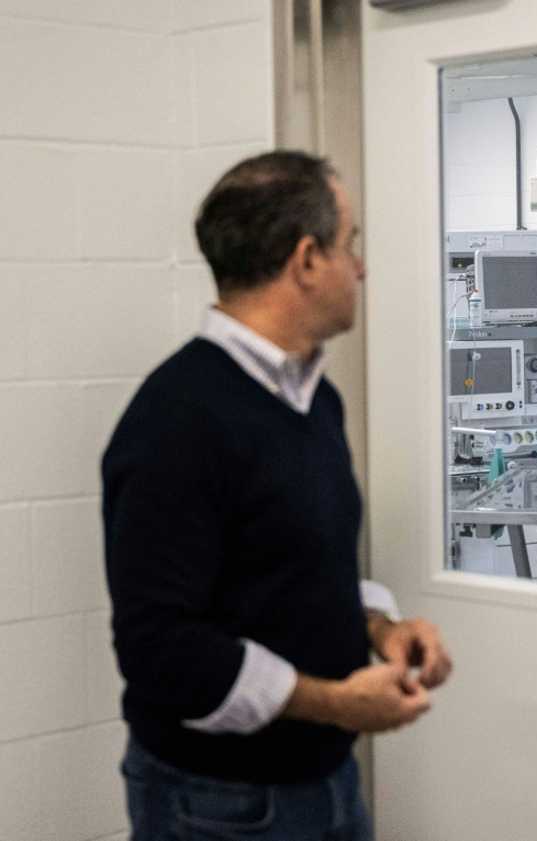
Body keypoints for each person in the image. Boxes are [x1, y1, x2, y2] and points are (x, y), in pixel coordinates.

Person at [101, 150, 451, 841]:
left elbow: (294, 567)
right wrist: (334, 701)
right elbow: (160, 647)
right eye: (350, 245)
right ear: (306, 259)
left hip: (326, 782)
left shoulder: (314, 401)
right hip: (217, 805)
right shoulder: (178, 418)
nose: (361, 267)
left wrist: (382, 629)